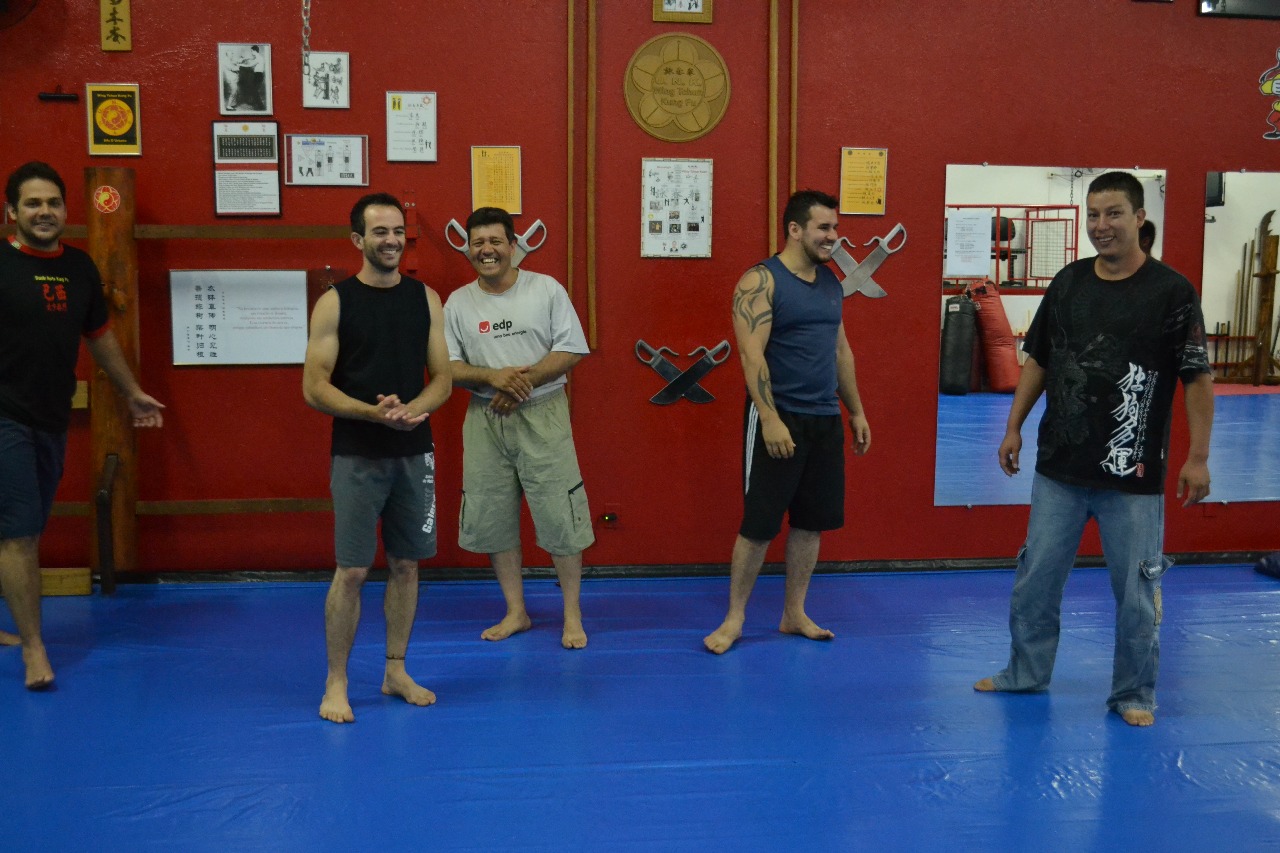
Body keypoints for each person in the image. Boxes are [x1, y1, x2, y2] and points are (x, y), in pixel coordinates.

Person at [974, 171, 1214, 727]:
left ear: (1139, 218)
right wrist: (1013, 426)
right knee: (1036, 580)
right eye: (1094, 215)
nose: (1101, 226)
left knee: (1136, 592)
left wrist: (1198, 457)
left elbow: (1197, 378)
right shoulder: (1068, 282)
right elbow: (1039, 359)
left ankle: (1134, 693)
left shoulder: (1172, 292)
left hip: (1131, 473)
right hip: (1059, 467)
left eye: (1114, 214)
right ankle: (1025, 672)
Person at [0, 161, 165, 689]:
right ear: (11, 212)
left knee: (22, 524)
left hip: (49, 416)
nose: (44, 211)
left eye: (53, 202)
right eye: (32, 203)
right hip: (4, 417)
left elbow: (98, 337)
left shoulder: (78, 267)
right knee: (21, 532)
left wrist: (132, 391)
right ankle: (34, 649)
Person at [302, 192, 451, 723]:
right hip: (358, 454)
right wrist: (371, 413)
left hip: (414, 451)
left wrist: (413, 410)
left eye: (397, 231)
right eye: (379, 232)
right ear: (357, 240)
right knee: (352, 571)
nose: (391, 240)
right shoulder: (336, 302)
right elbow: (314, 386)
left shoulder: (426, 299)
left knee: (407, 565)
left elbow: (443, 379)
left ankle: (395, 671)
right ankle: (336, 681)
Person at [704, 189, 872, 655]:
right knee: (759, 525)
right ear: (795, 229)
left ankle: (793, 613)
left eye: (835, 228)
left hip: (824, 419)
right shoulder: (761, 281)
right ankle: (734, 619)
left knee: (810, 523)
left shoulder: (831, 283)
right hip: (779, 419)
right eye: (824, 228)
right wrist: (770, 418)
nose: (833, 237)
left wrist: (855, 410)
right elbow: (750, 354)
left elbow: (840, 351)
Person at [443, 207, 593, 650]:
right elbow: (447, 366)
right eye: (478, 243)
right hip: (485, 417)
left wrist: (521, 383)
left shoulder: (545, 289)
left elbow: (572, 348)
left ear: (513, 245)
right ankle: (516, 611)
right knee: (494, 516)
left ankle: (572, 614)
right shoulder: (458, 303)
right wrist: (493, 378)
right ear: (468, 249)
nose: (486, 250)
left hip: (543, 413)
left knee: (560, 514)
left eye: (495, 241)